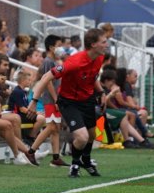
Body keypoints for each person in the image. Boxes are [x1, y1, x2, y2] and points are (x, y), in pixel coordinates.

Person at [31, 27, 108, 178]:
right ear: (93, 44)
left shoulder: (99, 58)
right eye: (104, 42)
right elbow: (46, 76)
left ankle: (85, 160)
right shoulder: (75, 62)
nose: (107, 44)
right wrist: (34, 101)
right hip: (69, 102)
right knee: (82, 137)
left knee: (92, 135)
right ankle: (74, 164)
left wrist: (101, 92)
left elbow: (92, 77)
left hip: (87, 100)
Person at [26, 34, 68, 167]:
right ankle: (31, 150)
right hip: (50, 100)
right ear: (51, 47)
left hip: (52, 99)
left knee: (55, 128)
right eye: (59, 45)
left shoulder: (52, 62)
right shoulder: (48, 62)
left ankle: (56, 158)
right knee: (51, 127)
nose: (61, 48)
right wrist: (56, 98)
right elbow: (47, 81)